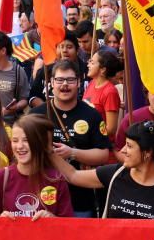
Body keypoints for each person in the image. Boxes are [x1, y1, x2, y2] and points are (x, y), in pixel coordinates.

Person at [52, 120, 154, 222]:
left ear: (148, 152)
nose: (123, 150)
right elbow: (73, 175)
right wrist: (47, 151)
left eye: (130, 146)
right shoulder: (114, 173)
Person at [29, 59, 111, 217]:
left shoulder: (91, 115)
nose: (64, 84)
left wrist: (72, 152)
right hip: (41, 195)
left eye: (70, 80)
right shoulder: (36, 115)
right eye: (59, 80)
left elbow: (103, 155)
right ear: (51, 82)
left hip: (80, 198)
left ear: (79, 82)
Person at [0, 115, 73, 218]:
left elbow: (68, 225)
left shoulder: (56, 179)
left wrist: (52, 218)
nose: (20, 146)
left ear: (40, 142)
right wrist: (0, 218)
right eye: (15, 140)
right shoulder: (1, 177)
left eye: (26, 140)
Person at [82, 50, 122, 140]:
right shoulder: (91, 83)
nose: (88, 65)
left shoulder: (110, 92)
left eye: (92, 63)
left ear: (103, 69)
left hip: (100, 145)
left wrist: (89, 135)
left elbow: (111, 129)